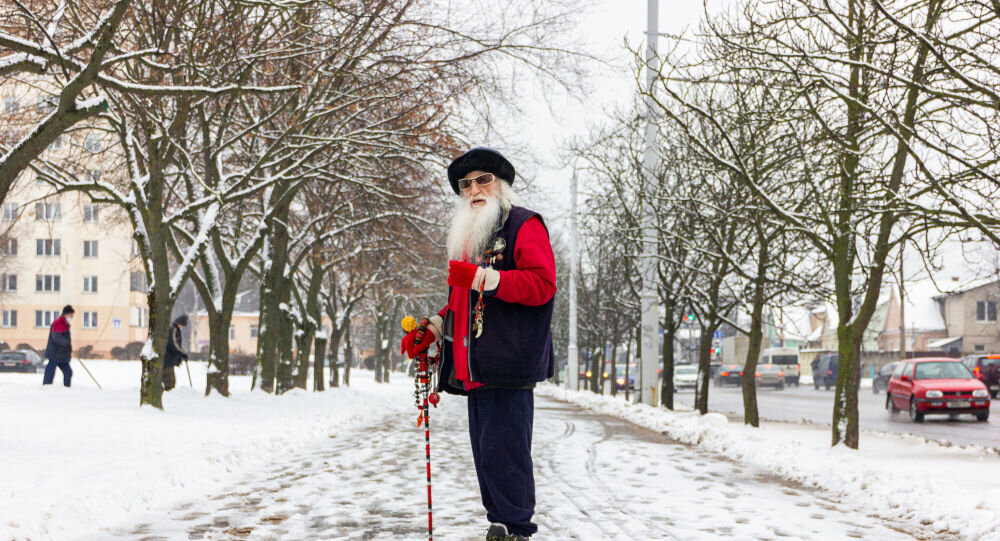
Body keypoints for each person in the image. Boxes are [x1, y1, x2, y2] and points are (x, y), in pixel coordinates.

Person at [400, 147, 556, 541]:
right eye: (466, 184)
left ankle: (517, 529)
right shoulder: (470, 237)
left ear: (500, 184)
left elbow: (542, 285)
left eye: (482, 180)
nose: (474, 190)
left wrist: (485, 279)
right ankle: (500, 525)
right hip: (477, 367)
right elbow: (460, 301)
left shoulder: (524, 224)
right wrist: (434, 328)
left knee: (507, 455)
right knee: (487, 455)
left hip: (509, 360)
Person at [42, 305, 75, 387]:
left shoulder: (65, 324)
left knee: (68, 372)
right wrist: (67, 344)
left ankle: (67, 388)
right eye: (71, 315)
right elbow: (57, 337)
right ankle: (46, 387)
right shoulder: (58, 323)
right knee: (50, 372)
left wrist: (69, 348)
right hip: (55, 353)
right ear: (66, 314)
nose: (72, 317)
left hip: (62, 355)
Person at [163, 315, 189, 391]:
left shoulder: (175, 330)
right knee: (169, 380)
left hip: (169, 358)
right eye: (183, 325)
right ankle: (169, 393)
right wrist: (183, 354)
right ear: (179, 323)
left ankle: (169, 391)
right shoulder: (173, 330)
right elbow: (174, 345)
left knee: (170, 379)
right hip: (167, 358)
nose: (183, 327)